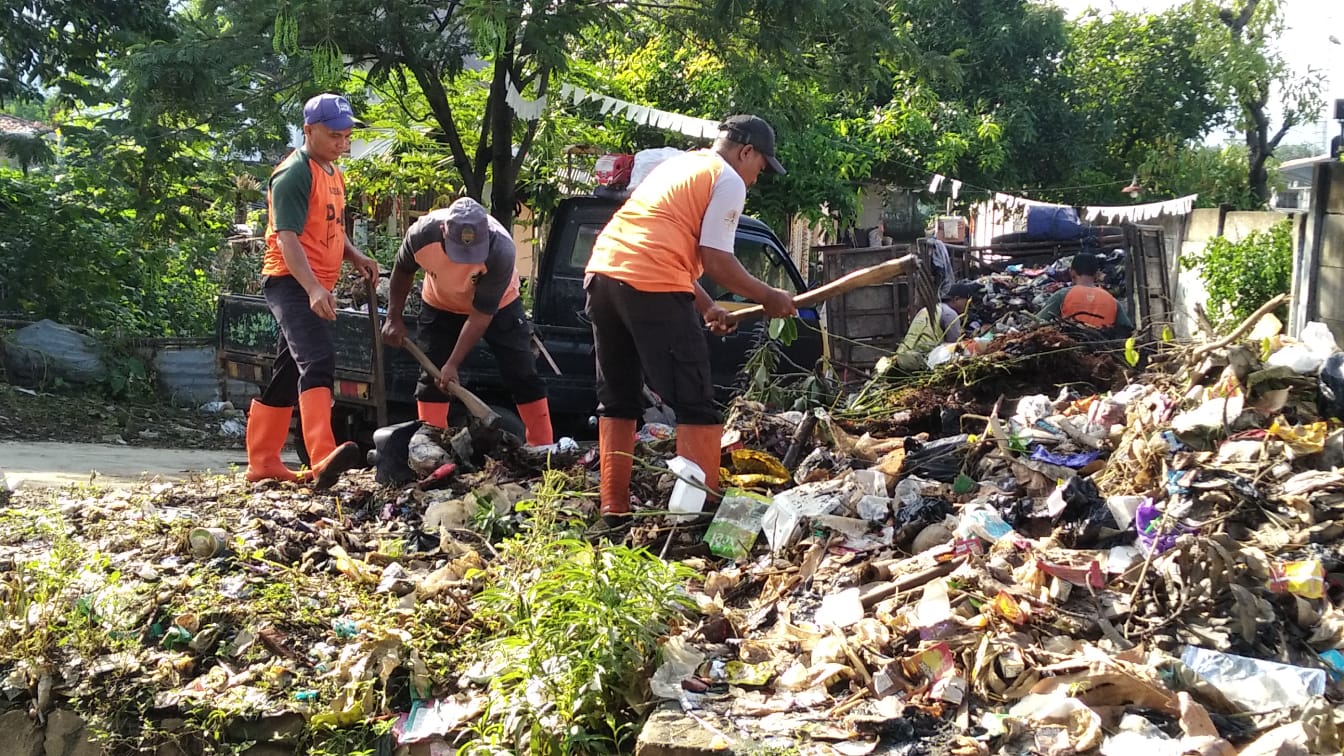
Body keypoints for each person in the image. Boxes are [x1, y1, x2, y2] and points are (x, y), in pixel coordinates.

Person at [585, 115, 798, 525]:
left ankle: (613, 510)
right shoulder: (728, 178)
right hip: (650, 282)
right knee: (696, 399)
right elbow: (717, 260)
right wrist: (769, 295)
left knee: (618, 397)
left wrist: (705, 306)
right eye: (760, 167)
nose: (757, 178)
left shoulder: (680, 165)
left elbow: (664, 244)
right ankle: (699, 516)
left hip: (603, 274)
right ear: (746, 152)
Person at [243, 93, 380, 489]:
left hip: (315, 282)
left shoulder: (333, 173)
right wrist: (314, 289)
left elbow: (329, 227)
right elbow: (287, 238)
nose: (342, 142)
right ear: (309, 130)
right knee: (318, 359)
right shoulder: (293, 174)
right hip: (290, 281)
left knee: (288, 371)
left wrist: (354, 255)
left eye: (346, 134)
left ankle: (264, 462)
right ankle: (322, 458)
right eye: (335, 135)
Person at [381, 197, 553, 446]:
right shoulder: (421, 234)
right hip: (440, 302)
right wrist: (393, 317)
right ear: (443, 231)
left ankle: (543, 447)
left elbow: (481, 315)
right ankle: (429, 448)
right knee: (432, 375)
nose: (464, 260)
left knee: (521, 372)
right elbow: (403, 269)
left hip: (500, 305)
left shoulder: (501, 249)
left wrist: (453, 364)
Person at [1037, 252, 1134, 334]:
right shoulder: (1112, 301)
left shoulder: (1062, 295)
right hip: (1105, 351)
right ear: (1097, 274)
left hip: (1069, 350)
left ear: (1072, 272)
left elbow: (1038, 322)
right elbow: (1128, 330)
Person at [893, 281, 979, 371]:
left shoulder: (929, 309)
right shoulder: (950, 314)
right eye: (966, 302)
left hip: (902, 355)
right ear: (956, 299)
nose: (967, 306)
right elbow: (954, 345)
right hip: (919, 361)